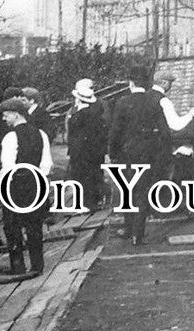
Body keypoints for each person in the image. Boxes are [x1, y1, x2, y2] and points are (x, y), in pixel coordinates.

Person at [108, 68, 172, 246]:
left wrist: (112, 153)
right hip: (147, 152)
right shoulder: (154, 102)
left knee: (128, 190)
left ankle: (128, 229)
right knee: (142, 192)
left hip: (126, 153)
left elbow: (115, 131)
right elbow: (164, 131)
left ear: (131, 83)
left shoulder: (122, 102)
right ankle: (138, 234)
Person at [0, 98, 53, 275]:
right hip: (36, 183)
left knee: (12, 227)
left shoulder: (10, 137)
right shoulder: (41, 134)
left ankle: (18, 266)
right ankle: (38, 265)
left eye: (6, 115)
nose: (4, 119)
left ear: (15, 114)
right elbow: (47, 164)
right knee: (34, 226)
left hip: (15, 186)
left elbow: (7, 167)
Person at [66, 78, 107, 211]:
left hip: (83, 150)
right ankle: (92, 200)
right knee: (91, 174)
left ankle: (88, 202)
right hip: (91, 149)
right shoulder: (92, 110)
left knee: (85, 175)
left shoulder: (81, 113)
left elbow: (72, 129)